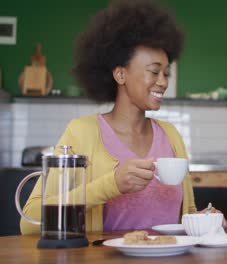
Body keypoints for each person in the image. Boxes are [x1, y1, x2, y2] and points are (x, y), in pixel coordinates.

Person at [21, 0, 203, 234]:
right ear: (120, 74)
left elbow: (187, 212)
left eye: (166, 73)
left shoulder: (171, 135)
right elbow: (29, 221)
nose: (163, 82)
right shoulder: (81, 132)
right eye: (154, 71)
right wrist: (111, 185)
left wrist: (203, 219)